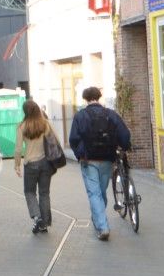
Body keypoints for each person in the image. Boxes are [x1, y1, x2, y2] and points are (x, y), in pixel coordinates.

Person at [68, 86, 132, 241]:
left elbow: (73, 139)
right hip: (107, 159)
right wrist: (125, 147)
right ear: (99, 97)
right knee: (101, 192)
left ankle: (103, 227)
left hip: (89, 160)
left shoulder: (80, 116)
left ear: (85, 99)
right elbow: (124, 133)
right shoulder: (111, 114)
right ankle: (99, 220)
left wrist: (80, 154)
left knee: (94, 193)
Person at [12, 99, 62, 234]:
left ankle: (37, 216)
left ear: (25, 111)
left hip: (30, 164)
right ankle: (44, 224)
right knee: (44, 193)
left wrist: (17, 165)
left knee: (29, 192)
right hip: (46, 163)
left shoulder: (22, 126)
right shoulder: (45, 124)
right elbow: (55, 140)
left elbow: (17, 149)